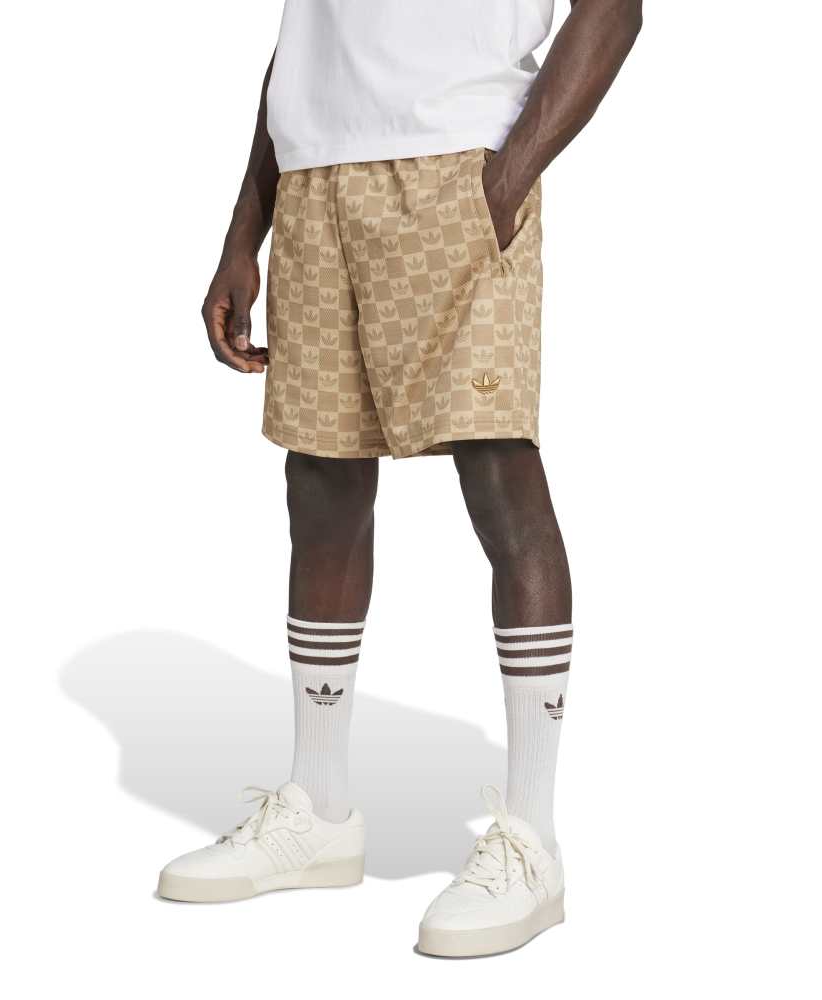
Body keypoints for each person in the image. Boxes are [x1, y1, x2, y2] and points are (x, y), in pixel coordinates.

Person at [157, 0, 642, 957]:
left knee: (497, 464)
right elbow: (307, 41)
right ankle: (319, 809)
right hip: (312, 181)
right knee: (321, 481)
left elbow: (613, 10)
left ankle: (531, 841)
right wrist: (245, 230)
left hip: (455, 165)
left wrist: (506, 180)